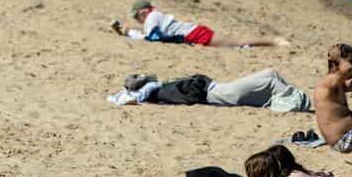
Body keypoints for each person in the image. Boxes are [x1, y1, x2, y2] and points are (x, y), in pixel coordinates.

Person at [109, 69, 312, 111]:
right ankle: (301, 102)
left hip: (219, 90)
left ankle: (300, 100)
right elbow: (190, 96)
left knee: (273, 76)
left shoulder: (159, 88)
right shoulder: (155, 89)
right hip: (220, 92)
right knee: (270, 77)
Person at [113, 0, 290, 47]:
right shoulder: (155, 15)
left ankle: (273, 41)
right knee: (234, 42)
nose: (138, 20)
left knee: (237, 42)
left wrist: (130, 33)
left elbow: (154, 38)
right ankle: (272, 41)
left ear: (143, 11)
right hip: (195, 32)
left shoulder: (151, 18)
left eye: (137, 16)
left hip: (195, 34)